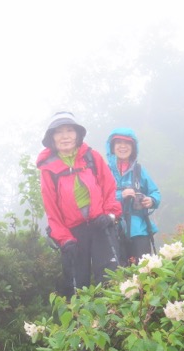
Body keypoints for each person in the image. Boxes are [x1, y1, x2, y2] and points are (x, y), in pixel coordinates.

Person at [37, 111, 123, 298]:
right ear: (52, 138)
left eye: (69, 130)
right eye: (59, 132)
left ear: (78, 135)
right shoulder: (48, 169)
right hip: (73, 234)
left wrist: (110, 215)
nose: (65, 136)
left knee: (111, 278)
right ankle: (82, 325)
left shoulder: (92, 157)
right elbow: (51, 209)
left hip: (101, 225)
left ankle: (117, 323)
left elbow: (109, 187)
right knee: (77, 287)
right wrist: (64, 239)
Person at [106, 128, 162, 264]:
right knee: (119, 273)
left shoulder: (139, 170)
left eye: (127, 143)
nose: (123, 146)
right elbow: (99, 198)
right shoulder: (105, 171)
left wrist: (152, 200)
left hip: (139, 229)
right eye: (118, 142)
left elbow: (155, 192)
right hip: (113, 230)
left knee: (145, 269)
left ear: (133, 147)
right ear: (112, 147)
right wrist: (121, 195)